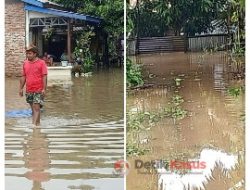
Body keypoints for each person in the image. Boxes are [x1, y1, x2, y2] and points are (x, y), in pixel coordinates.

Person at [19, 45, 48, 126]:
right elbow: (23, 76)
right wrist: (21, 88)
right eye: (27, 53)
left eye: (30, 53)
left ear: (35, 54)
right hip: (29, 90)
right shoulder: (25, 63)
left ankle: (33, 126)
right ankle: (38, 125)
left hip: (39, 89)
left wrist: (44, 89)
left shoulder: (41, 63)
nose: (28, 55)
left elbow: (44, 76)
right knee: (34, 110)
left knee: (36, 108)